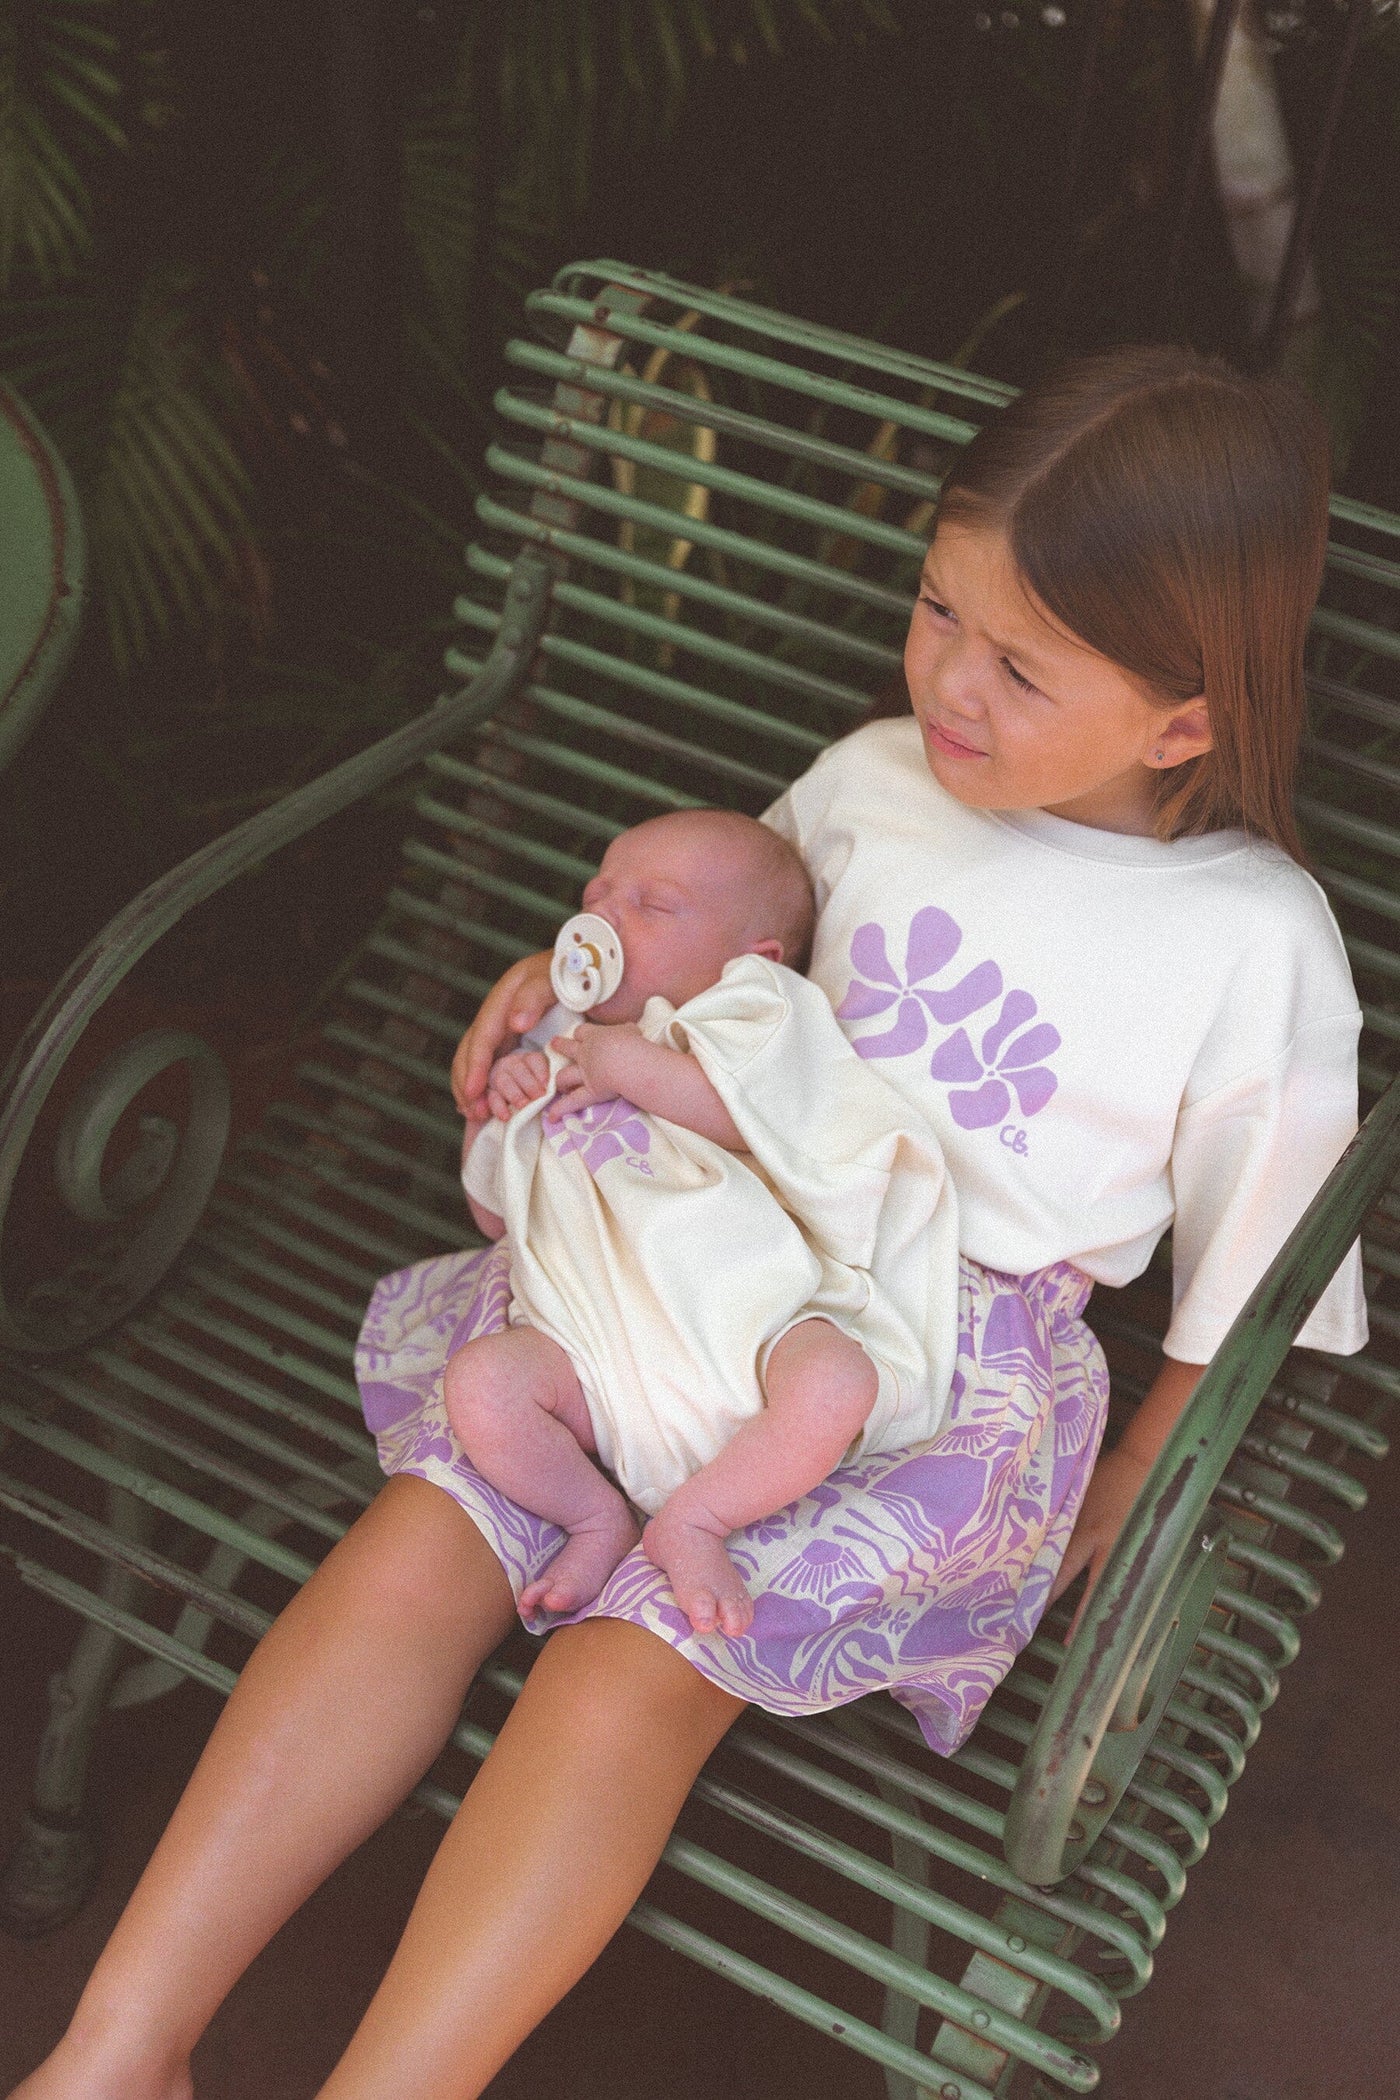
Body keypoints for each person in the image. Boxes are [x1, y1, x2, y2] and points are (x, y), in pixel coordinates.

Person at [12, 344, 1367, 2100]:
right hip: (684, 1248)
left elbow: (1249, 1286)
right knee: (429, 1529)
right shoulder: (878, 775)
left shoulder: (1252, 944)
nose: (950, 682)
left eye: (1022, 666)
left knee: (644, 1659)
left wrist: (1124, 1488)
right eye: (937, 608)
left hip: (918, 1378)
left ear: (1184, 720)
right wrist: (543, 993)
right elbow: (701, 954)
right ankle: (119, 2049)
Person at [440, 806, 961, 1636]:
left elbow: (754, 1114)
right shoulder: (561, 1036)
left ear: (749, 958)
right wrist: (497, 1116)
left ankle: (698, 1518)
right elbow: (495, 1218)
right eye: (598, 892)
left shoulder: (750, 1012)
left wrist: (630, 1066)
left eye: (653, 906)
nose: (604, 916)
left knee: (836, 1383)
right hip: (594, 1351)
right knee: (482, 1384)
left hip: (750, 1327)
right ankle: (592, 1517)